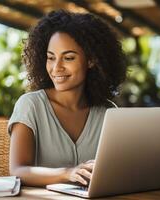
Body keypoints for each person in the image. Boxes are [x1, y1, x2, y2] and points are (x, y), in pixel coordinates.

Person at [7, 10, 127, 187]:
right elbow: (18, 170)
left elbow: (121, 169)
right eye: (50, 58)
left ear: (91, 60)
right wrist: (68, 174)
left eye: (68, 58)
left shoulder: (108, 112)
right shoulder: (30, 105)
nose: (56, 67)